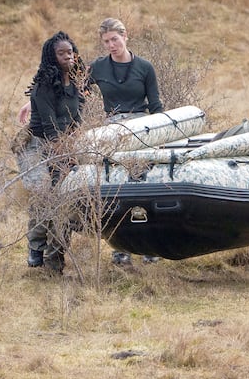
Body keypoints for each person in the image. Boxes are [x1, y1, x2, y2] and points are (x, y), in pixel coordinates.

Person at [16, 18, 163, 267]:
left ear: (125, 36)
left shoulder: (144, 67)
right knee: (113, 191)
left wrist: (162, 132)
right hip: (109, 134)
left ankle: (151, 246)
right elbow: (59, 88)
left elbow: (156, 105)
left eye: (115, 39)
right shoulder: (97, 68)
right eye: (106, 41)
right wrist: (33, 101)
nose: (111, 45)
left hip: (141, 130)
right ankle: (117, 249)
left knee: (148, 189)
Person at [22, 31, 87, 274]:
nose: (68, 57)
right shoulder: (43, 87)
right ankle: (36, 250)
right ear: (52, 56)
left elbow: (75, 120)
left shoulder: (75, 85)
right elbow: (49, 127)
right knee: (44, 199)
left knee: (64, 202)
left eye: (70, 52)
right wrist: (63, 156)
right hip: (39, 146)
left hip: (65, 146)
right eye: (62, 53)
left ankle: (54, 259)